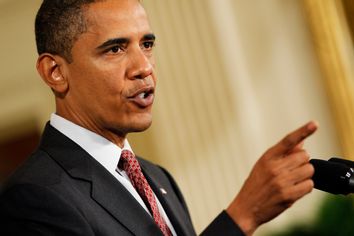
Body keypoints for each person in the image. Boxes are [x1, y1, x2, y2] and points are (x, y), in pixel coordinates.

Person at [0, 0, 318, 235]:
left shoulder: (158, 179)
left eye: (147, 44)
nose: (144, 67)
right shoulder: (35, 195)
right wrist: (242, 216)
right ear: (55, 72)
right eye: (115, 49)